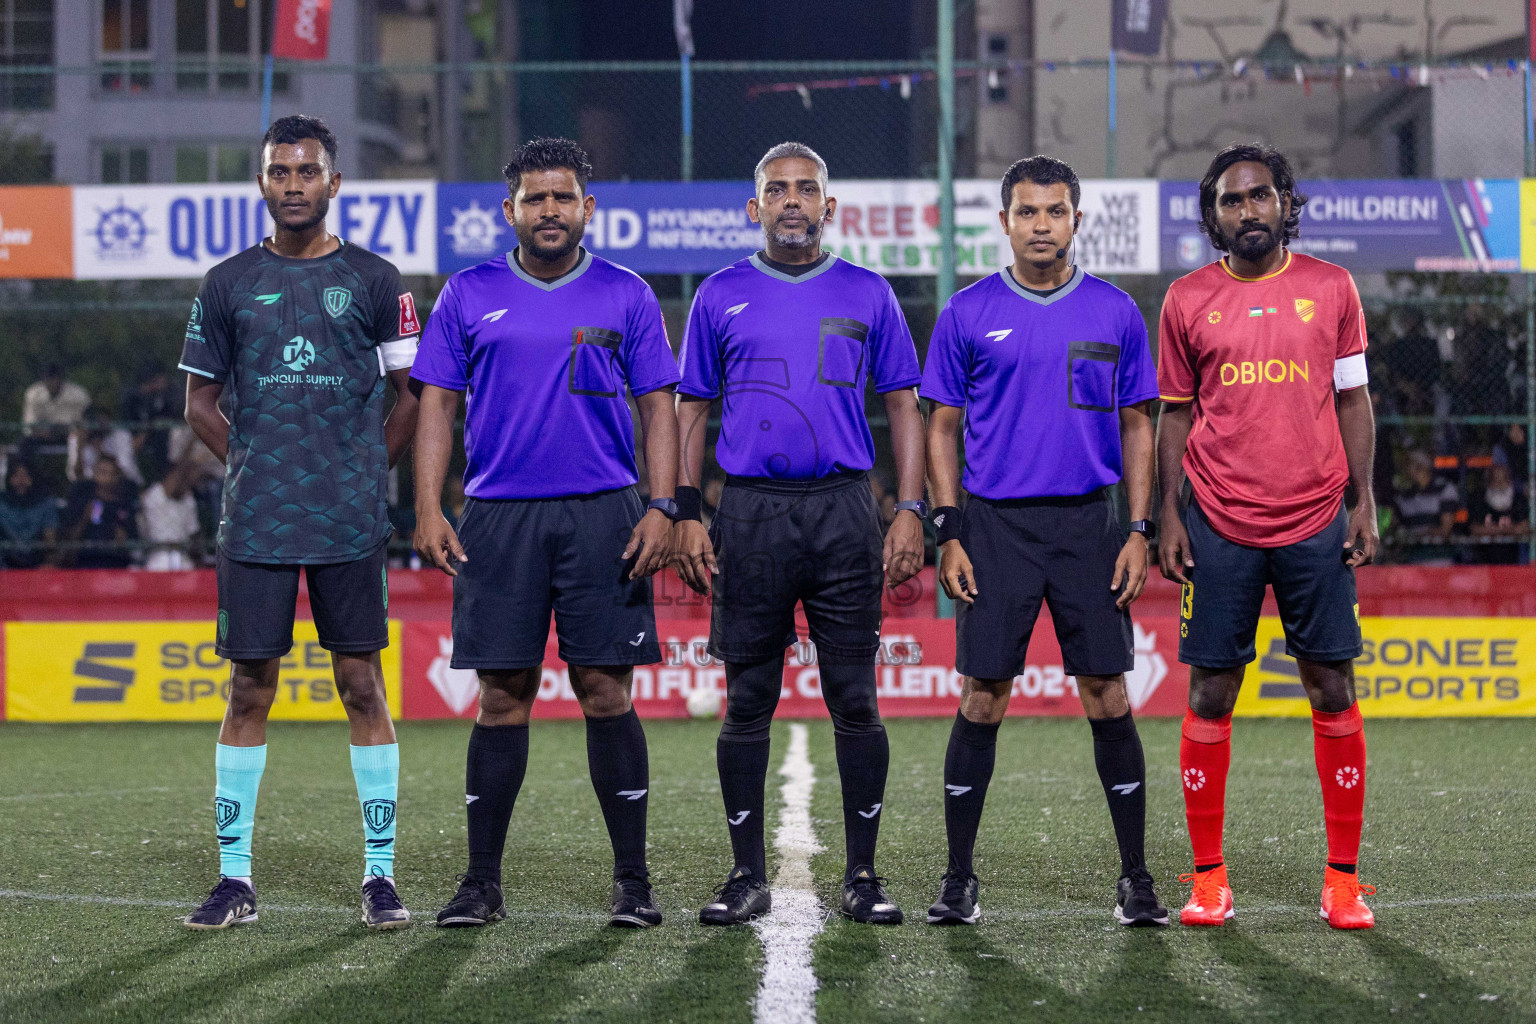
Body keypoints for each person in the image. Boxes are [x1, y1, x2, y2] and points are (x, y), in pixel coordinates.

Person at [411, 138, 681, 930]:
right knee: (502, 697)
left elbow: (658, 405)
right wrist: (428, 506)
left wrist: (663, 505)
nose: (550, 210)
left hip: (606, 514)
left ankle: (633, 881)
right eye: (536, 199)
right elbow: (436, 406)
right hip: (499, 518)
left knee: (605, 692)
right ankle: (479, 884)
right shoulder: (467, 292)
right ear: (511, 211)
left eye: (563, 197)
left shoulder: (627, 294)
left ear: (587, 208)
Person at [178, 114, 422, 931]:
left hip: (350, 523)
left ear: (333, 184)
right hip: (257, 523)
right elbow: (199, 404)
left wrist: (365, 472)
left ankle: (380, 877)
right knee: (250, 688)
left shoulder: (381, 281)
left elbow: (413, 399)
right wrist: (250, 461)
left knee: (361, 686)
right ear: (262, 183)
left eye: (306, 172)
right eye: (279, 172)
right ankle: (234, 879)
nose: (293, 185)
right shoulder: (226, 282)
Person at [674, 142, 926, 926]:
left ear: (829, 207)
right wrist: (686, 510)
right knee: (748, 699)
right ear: (755, 208)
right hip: (750, 511)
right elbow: (690, 409)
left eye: (805, 189)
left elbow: (906, 407)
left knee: (855, 697)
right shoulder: (719, 294)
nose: (791, 201)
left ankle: (862, 875)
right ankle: (746, 875)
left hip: (845, 510)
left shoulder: (869, 292)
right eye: (776, 190)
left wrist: (911, 508)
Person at [921, 155, 1166, 928]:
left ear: (1076, 220)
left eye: (1054, 211)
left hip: (1090, 526)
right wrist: (948, 529)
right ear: (1004, 222)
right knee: (983, 696)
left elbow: (1138, 425)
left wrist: (1137, 528)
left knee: (1108, 694)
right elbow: (942, 425)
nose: (1040, 225)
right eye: (1026, 212)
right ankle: (959, 878)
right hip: (994, 526)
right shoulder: (966, 311)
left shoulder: (1117, 312)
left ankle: (1136, 878)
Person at [1157, 143, 1379, 930]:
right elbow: (1175, 414)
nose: (1247, 210)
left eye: (1259, 196)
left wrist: (1364, 501)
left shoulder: (1331, 286)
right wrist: (1169, 513)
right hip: (1218, 521)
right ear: (1213, 216)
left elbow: (1353, 401)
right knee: (1211, 693)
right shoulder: (1185, 299)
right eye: (1231, 201)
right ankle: (1210, 878)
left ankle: (1343, 881)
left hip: (1316, 518)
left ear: (1286, 201)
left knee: (1331, 688)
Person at [61, 456, 138, 569]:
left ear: (116, 476)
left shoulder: (124, 504)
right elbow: (70, 537)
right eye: (101, 472)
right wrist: (85, 518)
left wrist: (120, 534)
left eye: (109, 473)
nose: (104, 476)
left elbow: (132, 540)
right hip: (86, 559)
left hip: (116, 560)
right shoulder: (82, 501)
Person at [1392, 450, 1458, 565]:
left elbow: (1445, 530)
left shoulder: (1445, 488)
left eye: (1409, 464)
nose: (1406, 470)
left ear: (1421, 466)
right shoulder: (1403, 496)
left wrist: (1418, 536)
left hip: (1441, 560)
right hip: (1413, 561)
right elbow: (1399, 528)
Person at [1466, 448, 1527, 565]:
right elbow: (1475, 528)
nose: (1498, 472)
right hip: (1484, 562)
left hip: (1514, 562)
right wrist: (1505, 530)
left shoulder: (1518, 498)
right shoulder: (1479, 497)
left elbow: (1524, 527)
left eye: (1502, 468)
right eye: (1495, 468)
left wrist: (1493, 530)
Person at [139, 458, 202, 570]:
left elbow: (193, 531)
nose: (180, 482)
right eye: (176, 478)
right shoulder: (154, 495)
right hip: (159, 555)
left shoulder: (188, 498)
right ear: (167, 478)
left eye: (182, 479)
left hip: (183, 556)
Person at [0, 461, 58, 568]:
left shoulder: (46, 503)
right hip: (5, 563)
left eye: (26, 475)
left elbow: (50, 539)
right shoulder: (1, 503)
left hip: (36, 563)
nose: (21, 481)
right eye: (16, 475)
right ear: (9, 478)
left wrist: (49, 563)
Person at [22, 362, 90, 439]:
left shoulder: (78, 394)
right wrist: (43, 432)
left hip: (71, 435)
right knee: (26, 443)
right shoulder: (34, 394)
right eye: (49, 379)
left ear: (62, 380)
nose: (52, 383)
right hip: (42, 435)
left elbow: (84, 422)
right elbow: (30, 424)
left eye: (55, 379)